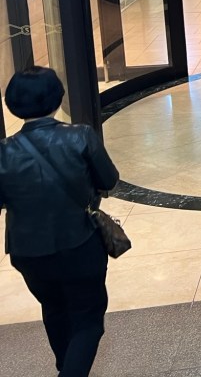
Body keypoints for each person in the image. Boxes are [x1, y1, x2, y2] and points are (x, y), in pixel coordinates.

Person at [0, 67, 120, 377]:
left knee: (53, 308)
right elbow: (109, 179)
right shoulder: (80, 136)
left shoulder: (3, 153)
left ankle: (64, 366)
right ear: (58, 98)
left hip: (26, 251)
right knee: (88, 320)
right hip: (79, 243)